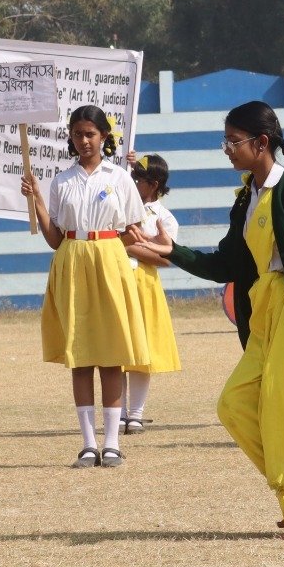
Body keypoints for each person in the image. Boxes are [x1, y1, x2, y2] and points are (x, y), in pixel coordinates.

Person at [154, 101, 284, 539]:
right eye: (226, 141)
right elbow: (226, 263)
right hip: (266, 314)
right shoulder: (249, 198)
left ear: (261, 142)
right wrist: (170, 250)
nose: (227, 149)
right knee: (236, 403)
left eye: (233, 141)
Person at [22, 105, 150, 469]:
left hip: (109, 260)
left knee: (111, 353)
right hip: (72, 260)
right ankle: (89, 443)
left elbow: (132, 229)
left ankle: (112, 443)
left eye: (90, 134)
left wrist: (116, 250)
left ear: (104, 136)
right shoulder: (62, 181)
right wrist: (37, 200)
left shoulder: (119, 177)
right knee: (80, 356)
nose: (84, 141)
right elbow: (55, 238)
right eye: (77, 134)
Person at [121, 153, 181, 433]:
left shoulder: (165, 218)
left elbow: (166, 258)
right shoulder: (121, 206)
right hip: (118, 279)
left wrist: (127, 245)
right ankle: (118, 413)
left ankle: (135, 413)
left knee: (142, 352)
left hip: (144, 283)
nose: (133, 183)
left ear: (154, 184)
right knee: (117, 350)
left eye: (139, 179)